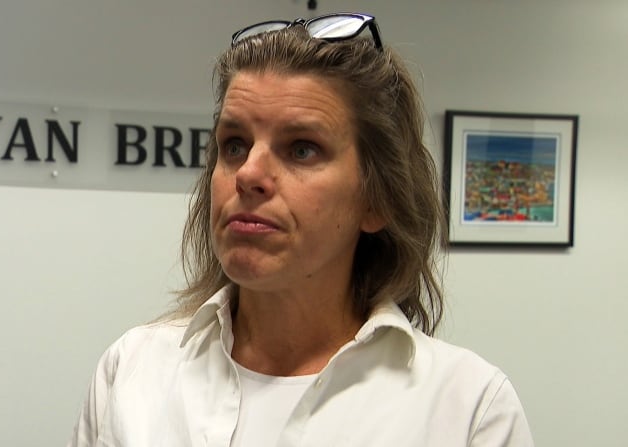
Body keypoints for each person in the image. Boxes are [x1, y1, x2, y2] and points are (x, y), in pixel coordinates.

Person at [67, 12, 534, 447]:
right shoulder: (133, 372)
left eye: (302, 149)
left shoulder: (467, 407)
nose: (248, 173)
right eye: (234, 145)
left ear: (377, 199)